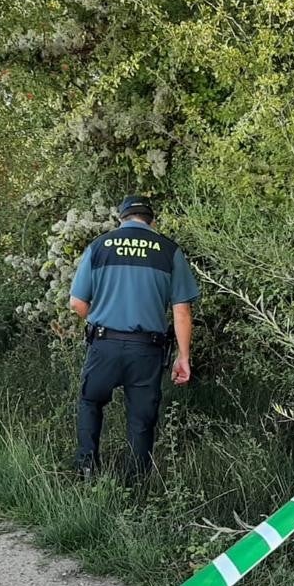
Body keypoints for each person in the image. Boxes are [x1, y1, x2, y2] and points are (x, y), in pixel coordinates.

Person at [68, 195, 199, 480]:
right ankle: (136, 484)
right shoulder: (168, 251)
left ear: (122, 218)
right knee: (142, 418)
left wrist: (103, 319)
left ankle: (87, 469)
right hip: (147, 350)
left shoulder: (99, 246)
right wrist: (183, 356)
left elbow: (77, 304)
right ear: (151, 220)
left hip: (104, 344)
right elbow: (182, 312)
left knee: (91, 402)